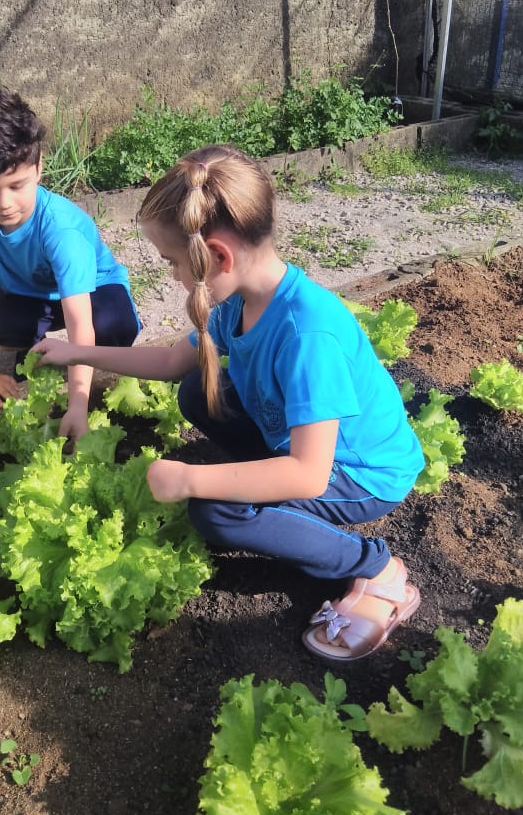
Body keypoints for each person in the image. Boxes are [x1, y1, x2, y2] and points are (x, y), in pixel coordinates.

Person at [33, 143, 425, 661]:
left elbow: (310, 473)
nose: (173, 276)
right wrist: (75, 351)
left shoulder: (309, 333)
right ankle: (261, 488)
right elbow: (175, 363)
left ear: (218, 255)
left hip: (362, 474)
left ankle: (378, 571)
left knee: (216, 513)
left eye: (173, 263)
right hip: (295, 441)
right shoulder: (239, 299)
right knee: (199, 390)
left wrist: (193, 479)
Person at [0, 82, 141, 442]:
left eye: (17, 185)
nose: (3, 203)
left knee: (112, 327)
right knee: (6, 329)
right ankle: (34, 353)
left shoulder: (61, 230)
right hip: (32, 291)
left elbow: (80, 322)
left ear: (38, 167)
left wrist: (78, 403)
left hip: (94, 290)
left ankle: (96, 369)